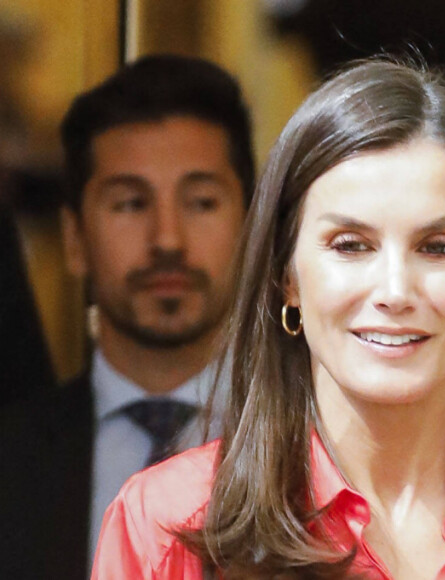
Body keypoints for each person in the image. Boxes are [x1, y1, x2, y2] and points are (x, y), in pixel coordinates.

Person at [92, 58, 445, 580]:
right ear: (287, 273)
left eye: (438, 247)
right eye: (350, 245)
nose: (395, 291)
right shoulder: (167, 528)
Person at [0, 54, 254, 580]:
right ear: (75, 241)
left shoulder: (319, 456)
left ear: (252, 231)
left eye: (201, 202)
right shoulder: (11, 458)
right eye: (130, 204)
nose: (167, 239)